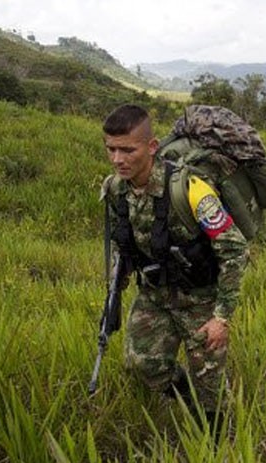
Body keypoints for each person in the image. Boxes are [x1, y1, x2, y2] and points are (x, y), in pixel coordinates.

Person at [100, 104, 248, 433]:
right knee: (141, 364)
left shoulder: (190, 189)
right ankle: (184, 395)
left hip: (200, 301)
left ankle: (215, 444)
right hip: (154, 295)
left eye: (127, 150)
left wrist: (222, 317)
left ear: (151, 147)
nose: (117, 159)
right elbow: (119, 239)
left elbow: (235, 249)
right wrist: (117, 276)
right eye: (111, 149)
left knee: (210, 390)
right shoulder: (114, 189)